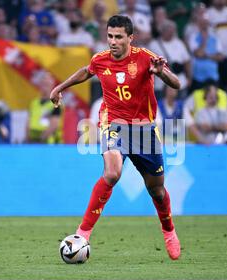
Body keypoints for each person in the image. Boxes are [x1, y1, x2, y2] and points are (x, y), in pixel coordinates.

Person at [49, 15, 182, 260]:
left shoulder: (145, 57)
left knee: (157, 190)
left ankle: (169, 231)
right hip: (113, 124)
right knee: (112, 173)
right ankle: (83, 233)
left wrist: (161, 73)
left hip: (144, 129)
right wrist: (60, 88)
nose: (113, 41)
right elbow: (85, 72)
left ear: (130, 38)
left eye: (118, 37)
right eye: (110, 36)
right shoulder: (100, 60)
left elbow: (177, 84)